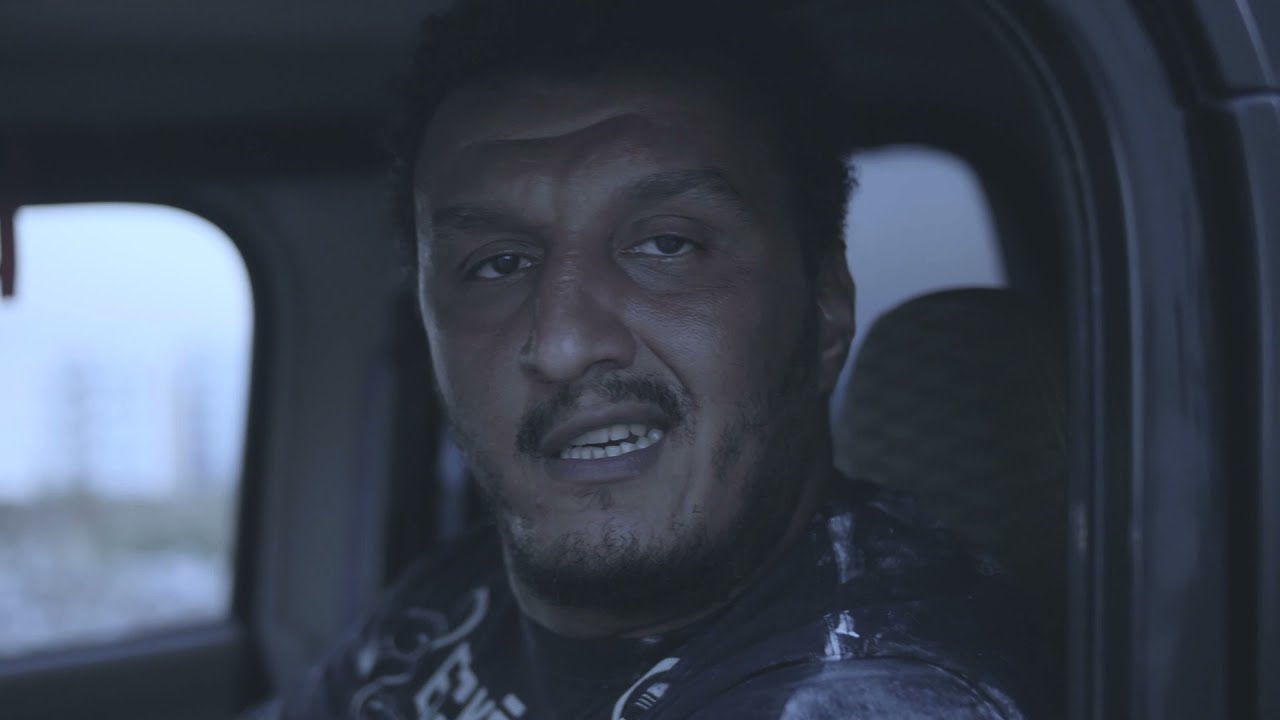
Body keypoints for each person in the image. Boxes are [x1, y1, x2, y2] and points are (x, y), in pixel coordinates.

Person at [265, 0, 1051, 717]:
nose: (565, 344)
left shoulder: (876, 692)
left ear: (823, 311)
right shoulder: (458, 595)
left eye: (667, 245)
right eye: (499, 264)